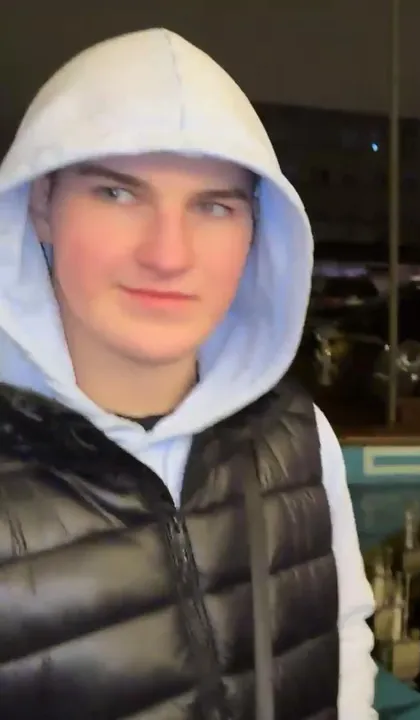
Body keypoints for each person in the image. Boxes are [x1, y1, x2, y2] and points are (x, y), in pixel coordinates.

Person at [0, 29, 376, 718]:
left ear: (258, 232)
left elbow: (342, 647)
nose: (168, 255)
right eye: (117, 193)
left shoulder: (298, 437)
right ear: (40, 205)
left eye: (213, 206)